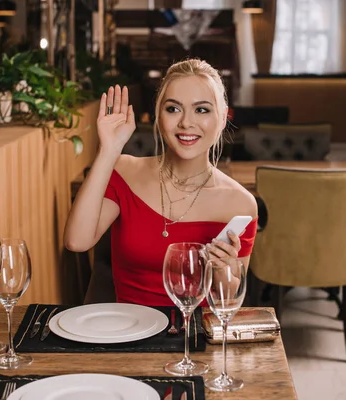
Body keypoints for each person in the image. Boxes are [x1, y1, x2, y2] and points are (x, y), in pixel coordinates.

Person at [64, 59, 258, 306]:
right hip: (127, 335)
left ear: (221, 119)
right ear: (158, 115)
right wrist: (109, 150)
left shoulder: (241, 203)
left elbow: (228, 302)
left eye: (202, 110)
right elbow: (76, 241)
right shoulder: (124, 169)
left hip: (196, 338)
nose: (186, 122)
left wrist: (223, 270)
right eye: (173, 109)